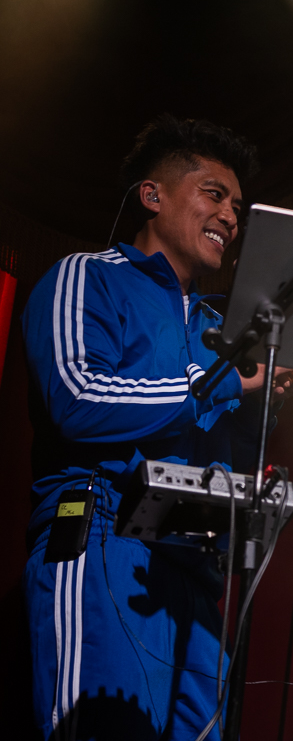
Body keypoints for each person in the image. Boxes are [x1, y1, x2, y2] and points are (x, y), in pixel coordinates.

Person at [22, 115, 265, 740]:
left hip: (190, 565)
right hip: (101, 536)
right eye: (214, 194)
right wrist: (213, 387)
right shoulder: (89, 275)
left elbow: (225, 454)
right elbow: (77, 398)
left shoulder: (218, 328)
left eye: (238, 206)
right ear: (152, 197)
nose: (232, 217)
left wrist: (262, 406)